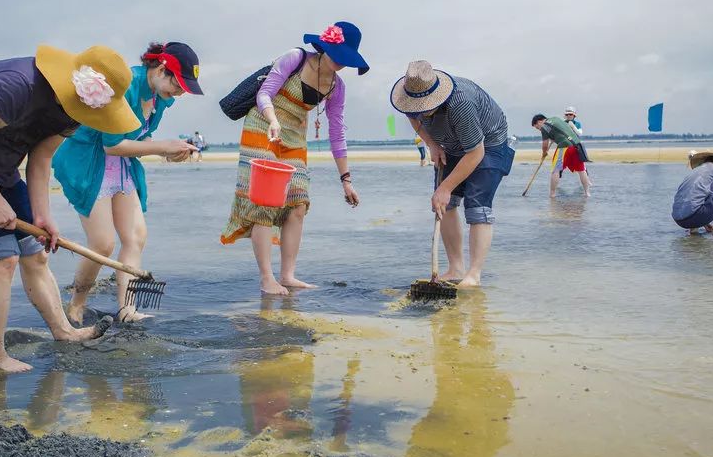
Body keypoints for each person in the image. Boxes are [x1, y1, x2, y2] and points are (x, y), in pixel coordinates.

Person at [0, 44, 140, 373]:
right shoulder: (16, 86)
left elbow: (41, 159)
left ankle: (64, 331)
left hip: (2, 167)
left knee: (36, 252)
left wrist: (42, 216)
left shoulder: (75, 112)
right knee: (3, 257)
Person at [53, 42, 201, 324]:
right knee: (102, 243)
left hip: (120, 164)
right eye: (178, 84)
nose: (180, 93)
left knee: (136, 237)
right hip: (88, 160)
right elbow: (112, 144)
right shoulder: (126, 85)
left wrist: (171, 152)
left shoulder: (160, 97)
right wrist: (161, 147)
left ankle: (127, 309)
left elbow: (139, 138)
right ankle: (76, 305)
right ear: (160, 69)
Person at [221, 22, 364, 295]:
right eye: (339, 55)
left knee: (298, 203)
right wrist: (273, 119)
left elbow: (337, 133)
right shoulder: (295, 59)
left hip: (295, 138)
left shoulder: (337, 86)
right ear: (325, 47)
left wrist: (346, 180)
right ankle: (267, 279)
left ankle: (287, 275)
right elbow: (264, 93)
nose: (342, 63)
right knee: (265, 201)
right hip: (263, 126)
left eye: (347, 59)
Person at [392, 60, 513, 288]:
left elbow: (476, 153)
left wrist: (445, 187)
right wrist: (431, 144)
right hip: (449, 144)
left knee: (477, 206)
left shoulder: (461, 104)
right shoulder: (410, 99)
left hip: (488, 145)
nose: (418, 110)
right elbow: (412, 117)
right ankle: (455, 268)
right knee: (442, 205)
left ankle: (473, 275)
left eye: (423, 106)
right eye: (414, 105)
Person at [532, 113, 590, 197]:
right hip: (577, 145)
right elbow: (562, 130)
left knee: (555, 170)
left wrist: (544, 153)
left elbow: (545, 145)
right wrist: (554, 138)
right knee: (581, 170)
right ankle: (587, 193)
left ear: (540, 121)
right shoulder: (556, 118)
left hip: (564, 146)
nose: (539, 129)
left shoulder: (544, 127)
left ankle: (552, 194)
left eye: (537, 127)